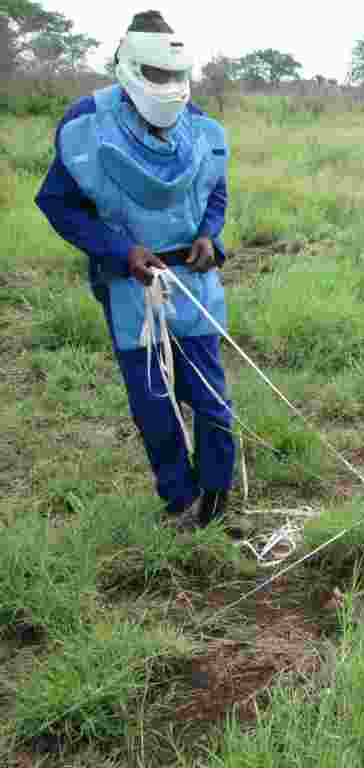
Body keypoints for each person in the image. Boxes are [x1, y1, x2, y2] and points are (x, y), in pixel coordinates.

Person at [36, 10, 235, 529]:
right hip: (131, 288)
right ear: (128, 68)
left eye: (175, 76)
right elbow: (58, 202)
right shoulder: (87, 124)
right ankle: (178, 500)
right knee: (154, 404)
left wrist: (208, 234)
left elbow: (214, 190)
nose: (168, 87)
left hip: (192, 284)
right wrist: (119, 250)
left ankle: (215, 497)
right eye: (157, 76)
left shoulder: (201, 126)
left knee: (210, 398)